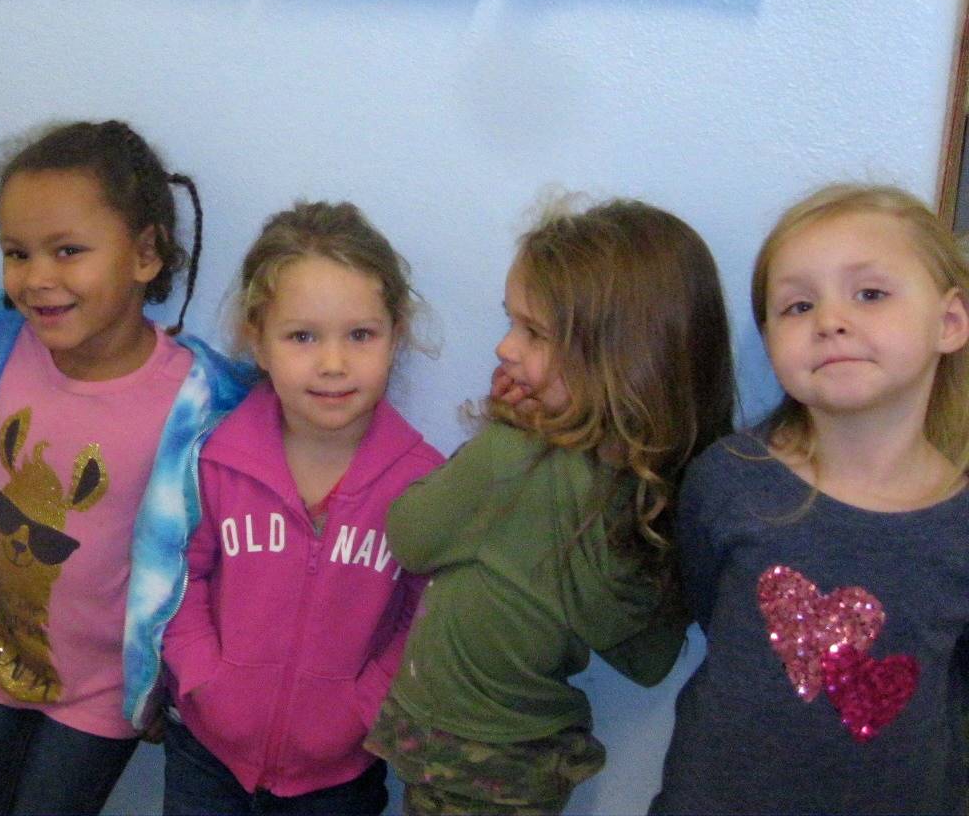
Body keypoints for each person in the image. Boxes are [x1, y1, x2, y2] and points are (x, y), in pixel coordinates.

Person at [0, 119, 252, 815]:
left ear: (145, 253)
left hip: (99, 695)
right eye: (17, 253)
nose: (37, 279)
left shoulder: (193, 402)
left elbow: (204, 557)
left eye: (67, 251)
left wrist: (167, 678)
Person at [369, 198, 736, 815]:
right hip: (531, 764)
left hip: (459, 751)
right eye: (511, 322)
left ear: (623, 359)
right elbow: (648, 661)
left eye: (534, 332)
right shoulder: (640, 495)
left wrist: (500, 430)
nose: (505, 348)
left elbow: (408, 535)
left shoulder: (512, 457)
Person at [651, 184, 969, 814]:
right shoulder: (731, 480)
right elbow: (707, 604)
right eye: (797, 306)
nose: (830, 320)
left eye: (870, 294)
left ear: (950, 322)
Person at [160, 201, 444, 814]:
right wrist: (203, 679)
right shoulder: (215, 458)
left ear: (396, 336)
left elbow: (429, 612)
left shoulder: (423, 485)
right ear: (258, 342)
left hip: (341, 775)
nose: (334, 363)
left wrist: (366, 706)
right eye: (302, 336)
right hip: (207, 757)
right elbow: (180, 574)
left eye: (360, 335)